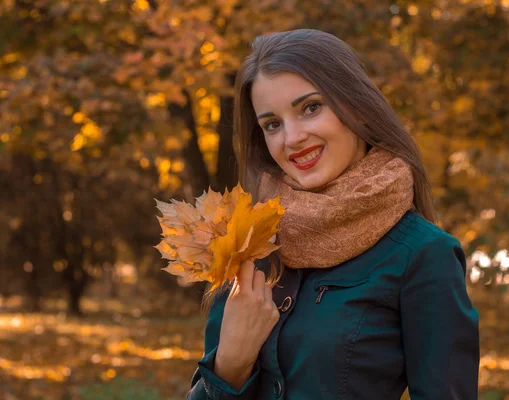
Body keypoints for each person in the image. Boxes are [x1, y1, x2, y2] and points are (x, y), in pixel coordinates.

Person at [187, 29, 479, 400]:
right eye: (272, 124)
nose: (292, 138)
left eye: (310, 107)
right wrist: (230, 363)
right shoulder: (247, 247)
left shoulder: (423, 255)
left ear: (355, 105)